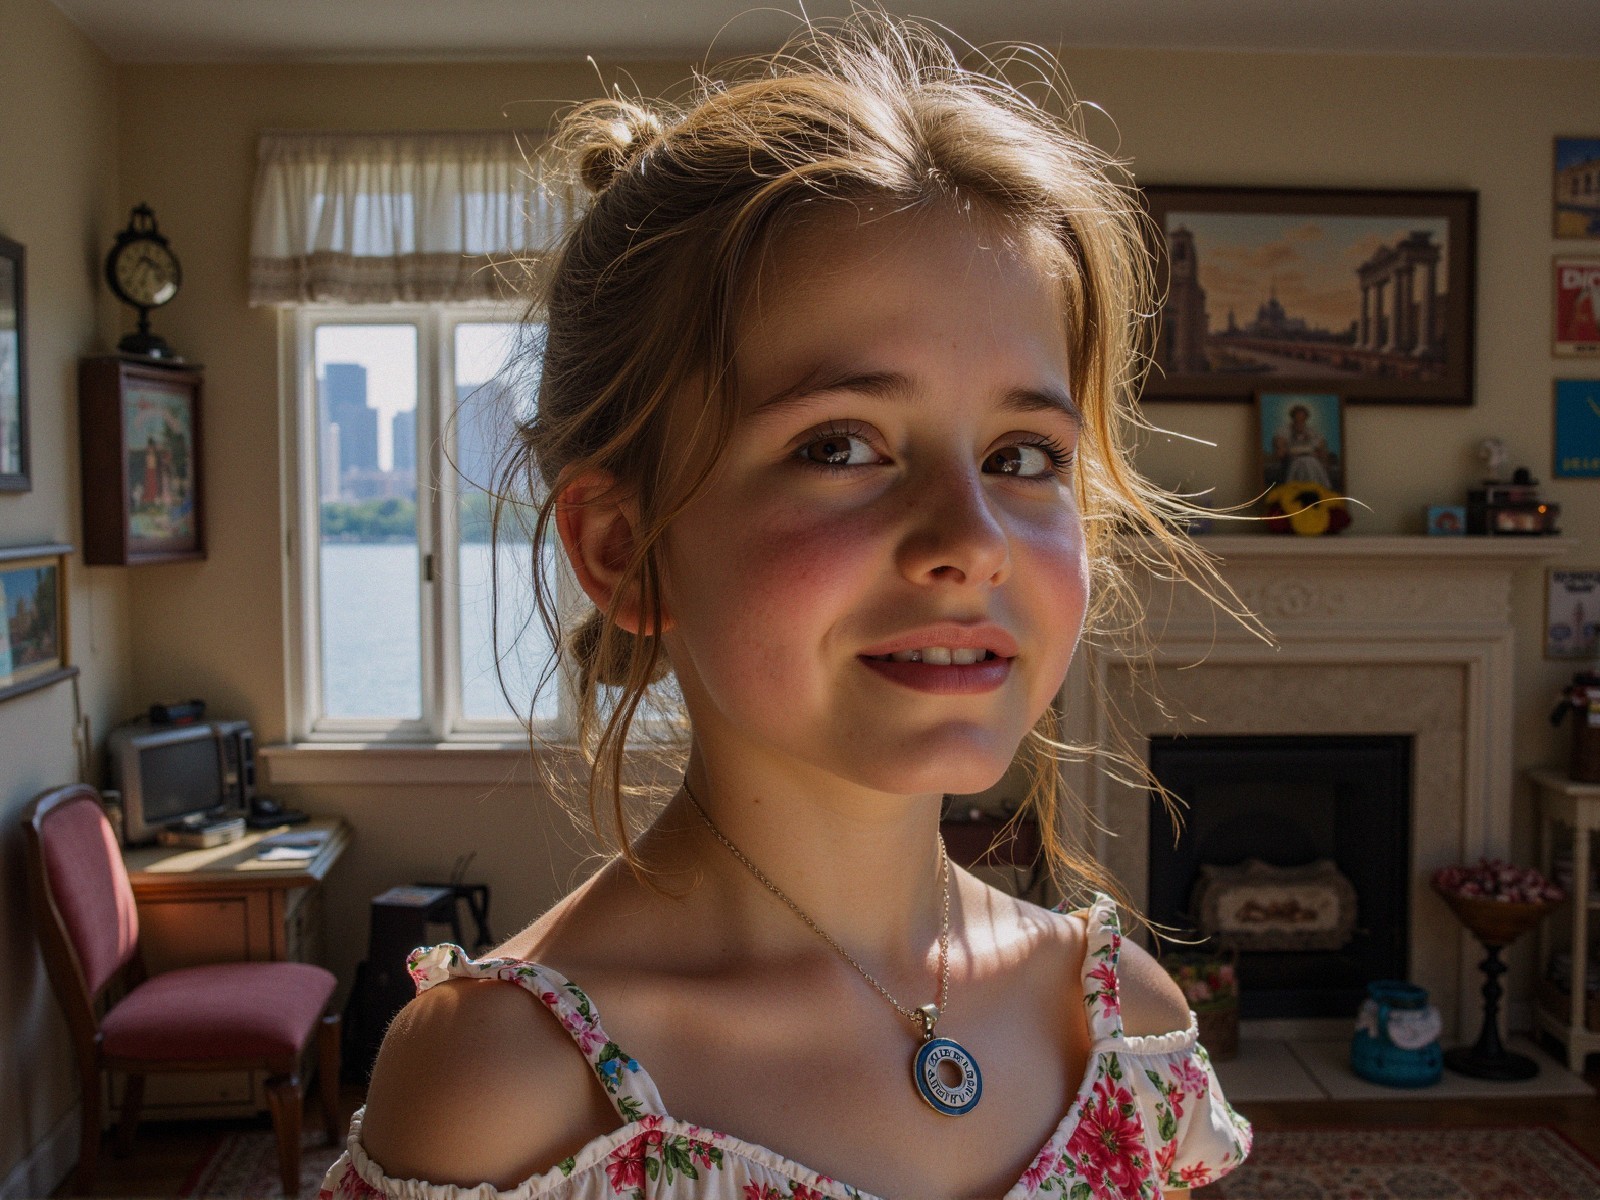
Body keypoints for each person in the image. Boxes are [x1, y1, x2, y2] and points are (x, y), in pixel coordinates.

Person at [327, 15, 1253, 1200]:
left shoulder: (1126, 1035)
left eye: (1024, 455)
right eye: (840, 444)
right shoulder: (510, 1089)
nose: (971, 541)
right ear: (627, 550)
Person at [1270, 403, 1334, 490]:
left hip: (1312, 459)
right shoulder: (1283, 432)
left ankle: (1315, 488)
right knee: (1305, 463)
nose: (1300, 419)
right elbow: (1280, 452)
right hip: (1293, 461)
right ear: (1293, 417)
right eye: (1297, 417)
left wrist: (1319, 454)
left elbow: (1321, 448)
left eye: (1302, 417)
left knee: (1311, 462)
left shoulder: (1312, 432)